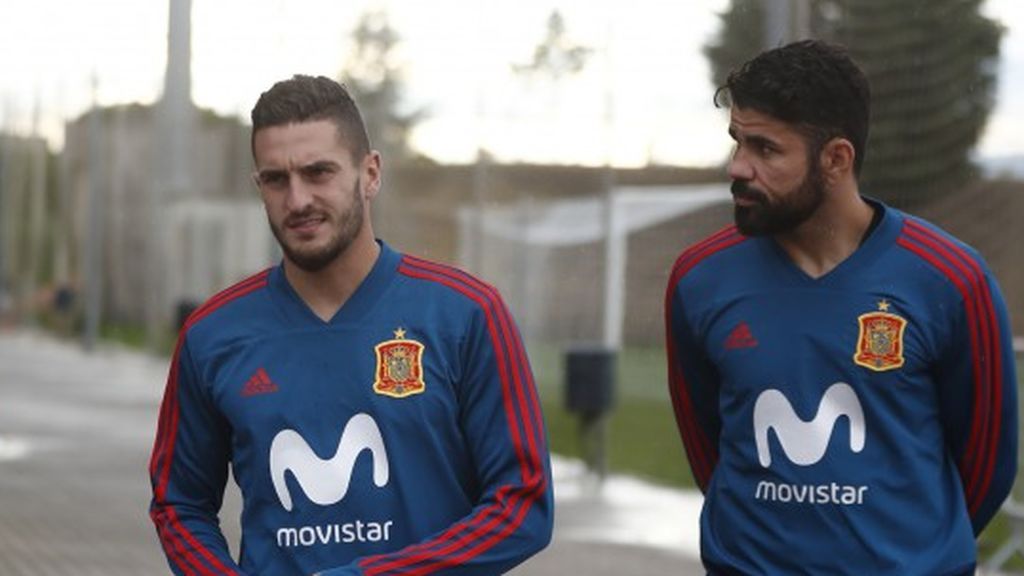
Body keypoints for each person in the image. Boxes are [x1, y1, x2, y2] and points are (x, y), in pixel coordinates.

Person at [149, 74, 553, 575]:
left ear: (371, 173)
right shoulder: (213, 335)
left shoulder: (465, 315)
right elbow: (179, 504)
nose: (297, 201)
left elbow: (522, 505)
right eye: (276, 179)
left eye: (319, 172)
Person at [664, 40, 1018, 575]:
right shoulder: (699, 280)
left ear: (836, 158)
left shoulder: (950, 279)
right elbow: (707, 446)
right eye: (737, 142)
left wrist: (909, 555)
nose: (737, 166)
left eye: (765, 149)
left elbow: (987, 462)